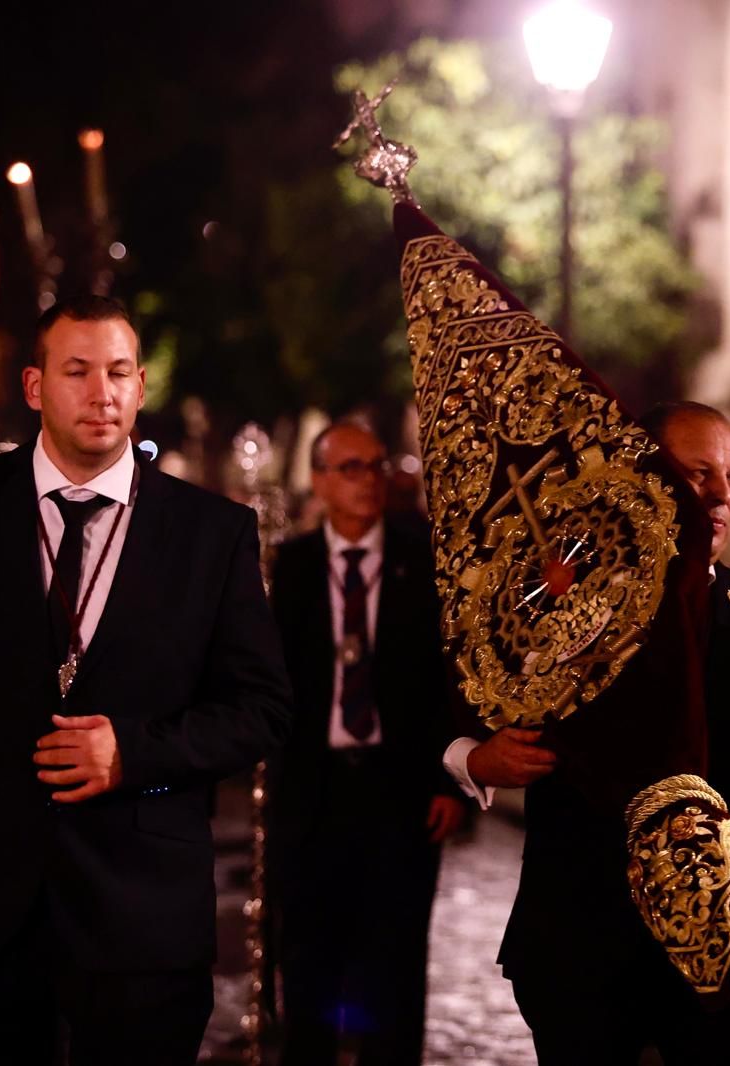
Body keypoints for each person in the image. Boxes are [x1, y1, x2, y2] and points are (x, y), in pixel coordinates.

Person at [0, 294, 291, 1065]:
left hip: (144, 913)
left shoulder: (211, 532)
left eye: (120, 372)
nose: (102, 394)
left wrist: (136, 754)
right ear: (34, 387)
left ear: (140, 386)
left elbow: (260, 710)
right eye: (78, 371)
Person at [444, 401, 730, 1064]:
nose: (718, 497)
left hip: (712, 948)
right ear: (645, 476)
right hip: (576, 939)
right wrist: (476, 760)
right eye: (696, 473)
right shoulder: (563, 597)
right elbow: (456, 697)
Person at [267, 421, 468, 1065]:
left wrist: (448, 783)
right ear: (320, 480)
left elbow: (453, 681)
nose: (368, 481)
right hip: (312, 796)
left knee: (396, 968)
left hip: (401, 796)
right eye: (351, 468)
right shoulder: (288, 568)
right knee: (308, 967)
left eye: (377, 466)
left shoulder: (426, 563)